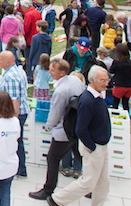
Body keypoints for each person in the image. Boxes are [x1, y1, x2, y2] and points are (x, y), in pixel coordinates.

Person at [47, 65, 112, 206]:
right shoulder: (88, 101)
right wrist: (92, 147)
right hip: (94, 147)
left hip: (101, 145)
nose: (106, 83)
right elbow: (81, 129)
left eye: (107, 80)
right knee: (88, 183)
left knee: (103, 181)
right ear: (92, 80)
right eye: (102, 80)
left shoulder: (98, 96)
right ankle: (57, 200)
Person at [28, 57, 86, 201]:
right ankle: (93, 185)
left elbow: (55, 112)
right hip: (77, 128)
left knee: (52, 159)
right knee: (82, 157)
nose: (50, 72)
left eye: (53, 70)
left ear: (62, 73)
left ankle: (48, 190)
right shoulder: (76, 81)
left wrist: (48, 126)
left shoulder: (60, 90)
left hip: (64, 131)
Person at [0, 50, 29, 177]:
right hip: (16, 113)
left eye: (0, 59)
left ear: (8, 62)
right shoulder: (14, 72)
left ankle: (19, 169)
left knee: (14, 141)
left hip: (15, 114)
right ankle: (20, 168)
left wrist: (13, 121)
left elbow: (14, 100)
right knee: (17, 141)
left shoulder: (11, 77)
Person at [109, 44, 131, 110]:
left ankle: (115, 117)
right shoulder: (130, 62)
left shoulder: (116, 62)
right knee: (125, 104)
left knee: (115, 103)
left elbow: (111, 70)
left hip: (119, 86)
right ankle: (127, 117)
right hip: (129, 86)